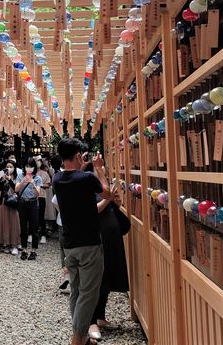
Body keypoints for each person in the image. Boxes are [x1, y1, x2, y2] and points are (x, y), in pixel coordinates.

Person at [52, 138, 112, 345]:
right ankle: (77, 339)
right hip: (89, 243)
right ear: (78, 155)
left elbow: (82, 198)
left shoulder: (57, 179)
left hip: (69, 244)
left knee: (76, 291)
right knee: (89, 292)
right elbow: (107, 191)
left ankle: (82, 336)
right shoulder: (87, 178)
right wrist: (99, 169)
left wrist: (85, 167)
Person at [89, 180, 129, 341]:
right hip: (96, 242)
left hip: (110, 242)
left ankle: (100, 317)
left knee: (107, 279)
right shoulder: (88, 192)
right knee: (96, 282)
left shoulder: (104, 193)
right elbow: (93, 211)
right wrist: (108, 199)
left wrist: (115, 204)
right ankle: (91, 322)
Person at [15, 157, 42, 260]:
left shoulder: (37, 178)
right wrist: (23, 181)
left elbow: (38, 193)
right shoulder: (20, 176)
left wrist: (33, 183)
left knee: (34, 227)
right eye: (27, 166)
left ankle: (34, 250)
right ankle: (24, 249)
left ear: (34, 167)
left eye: (30, 166)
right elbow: (16, 189)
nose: (28, 168)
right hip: (22, 203)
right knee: (23, 227)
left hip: (33, 203)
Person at [0, 160, 21, 254]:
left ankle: (14, 244)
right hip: (4, 201)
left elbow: (16, 189)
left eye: (11, 166)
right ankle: (6, 243)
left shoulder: (18, 177)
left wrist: (10, 180)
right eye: (7, 166)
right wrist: (3, 181)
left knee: (14, 223)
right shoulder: (2, 176)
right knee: (5, 222)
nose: (9, 168)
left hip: (13, 202)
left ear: (14, 168)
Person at [36, 157, 52, 242]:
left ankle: (43, 234)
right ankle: (32, 233)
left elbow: (48, 184)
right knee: (33, 216)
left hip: (41, 196)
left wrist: (39, 185)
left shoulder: (45, 173)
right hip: (32, 196)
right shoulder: (31, 173)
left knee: (41, 216)